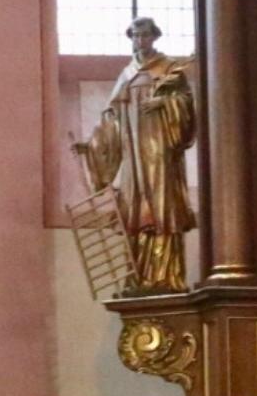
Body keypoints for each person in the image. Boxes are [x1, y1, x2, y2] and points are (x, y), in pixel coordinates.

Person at [71, 17, 198, 293]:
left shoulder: (170, 69)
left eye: (144, 35)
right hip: (134, 157)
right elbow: (112, 119)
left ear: (154, 37)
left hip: (161, 154)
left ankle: (167, 277)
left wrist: (164, 102)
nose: (140, 41)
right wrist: (92, 146)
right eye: (135, 36)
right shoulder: (128, 73)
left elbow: (187, 107)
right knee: (137, 211)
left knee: (163, 208)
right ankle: (140, 277)